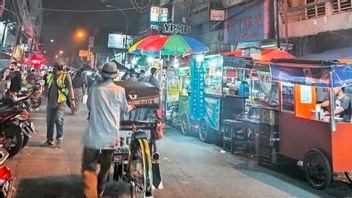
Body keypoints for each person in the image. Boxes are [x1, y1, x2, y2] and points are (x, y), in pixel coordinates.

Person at [81, 62, 134, 197]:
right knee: (105, 167)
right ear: (115, 76)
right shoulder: (119, 90)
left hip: (93, 134)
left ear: (102, 75)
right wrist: (132, 106)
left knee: (89, 166)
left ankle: (90, 192)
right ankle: (100, 190)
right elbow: (125, 108)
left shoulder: (94, 89)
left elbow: (89, 107)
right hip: (111, 136)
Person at [43, 63, 75, 148]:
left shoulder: (65, 76)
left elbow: (70, 88)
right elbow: (47, 87)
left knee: (58, 119)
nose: (53, 70)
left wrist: (72, 100)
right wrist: (40, 94)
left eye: (55, 68)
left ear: (58, 69)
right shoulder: (51, 76)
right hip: (50, 102)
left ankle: (59, 139)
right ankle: (49, 140)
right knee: (49, 121)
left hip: (60, 102)